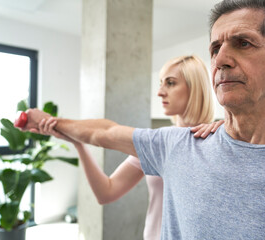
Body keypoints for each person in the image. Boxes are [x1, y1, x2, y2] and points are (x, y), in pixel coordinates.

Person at [20, 0, 265, 239]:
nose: (221, 60)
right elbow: (105, 132)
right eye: (215, 48)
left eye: (243, 43)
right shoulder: (175, 143)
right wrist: (56, 124)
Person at [36, 55, 223, 240]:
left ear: (195, 89)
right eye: (161, 83)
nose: (160, 92)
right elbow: (106, 192)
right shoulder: (156, 144)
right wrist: (79, 144)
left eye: (171, 83)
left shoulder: (219, 139)